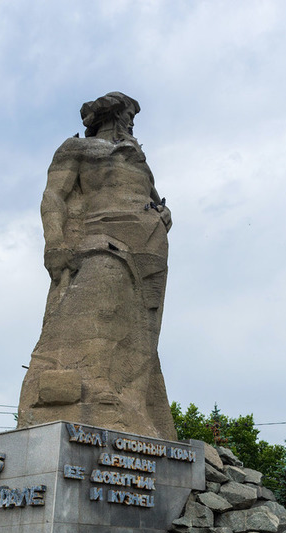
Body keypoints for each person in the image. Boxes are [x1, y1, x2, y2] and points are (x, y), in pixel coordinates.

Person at [17, 92, 176, 439]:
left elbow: (153, 198)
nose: (132, 123)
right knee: (98, 308)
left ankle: (130, 402)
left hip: (150, 246)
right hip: (102, 234)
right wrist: (54, 242)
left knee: (143, 334)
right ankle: (91, 387)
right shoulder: (78, 149)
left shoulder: (138, 160)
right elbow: (54, 196)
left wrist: (164, 214)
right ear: (113, 116)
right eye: (129, 115)